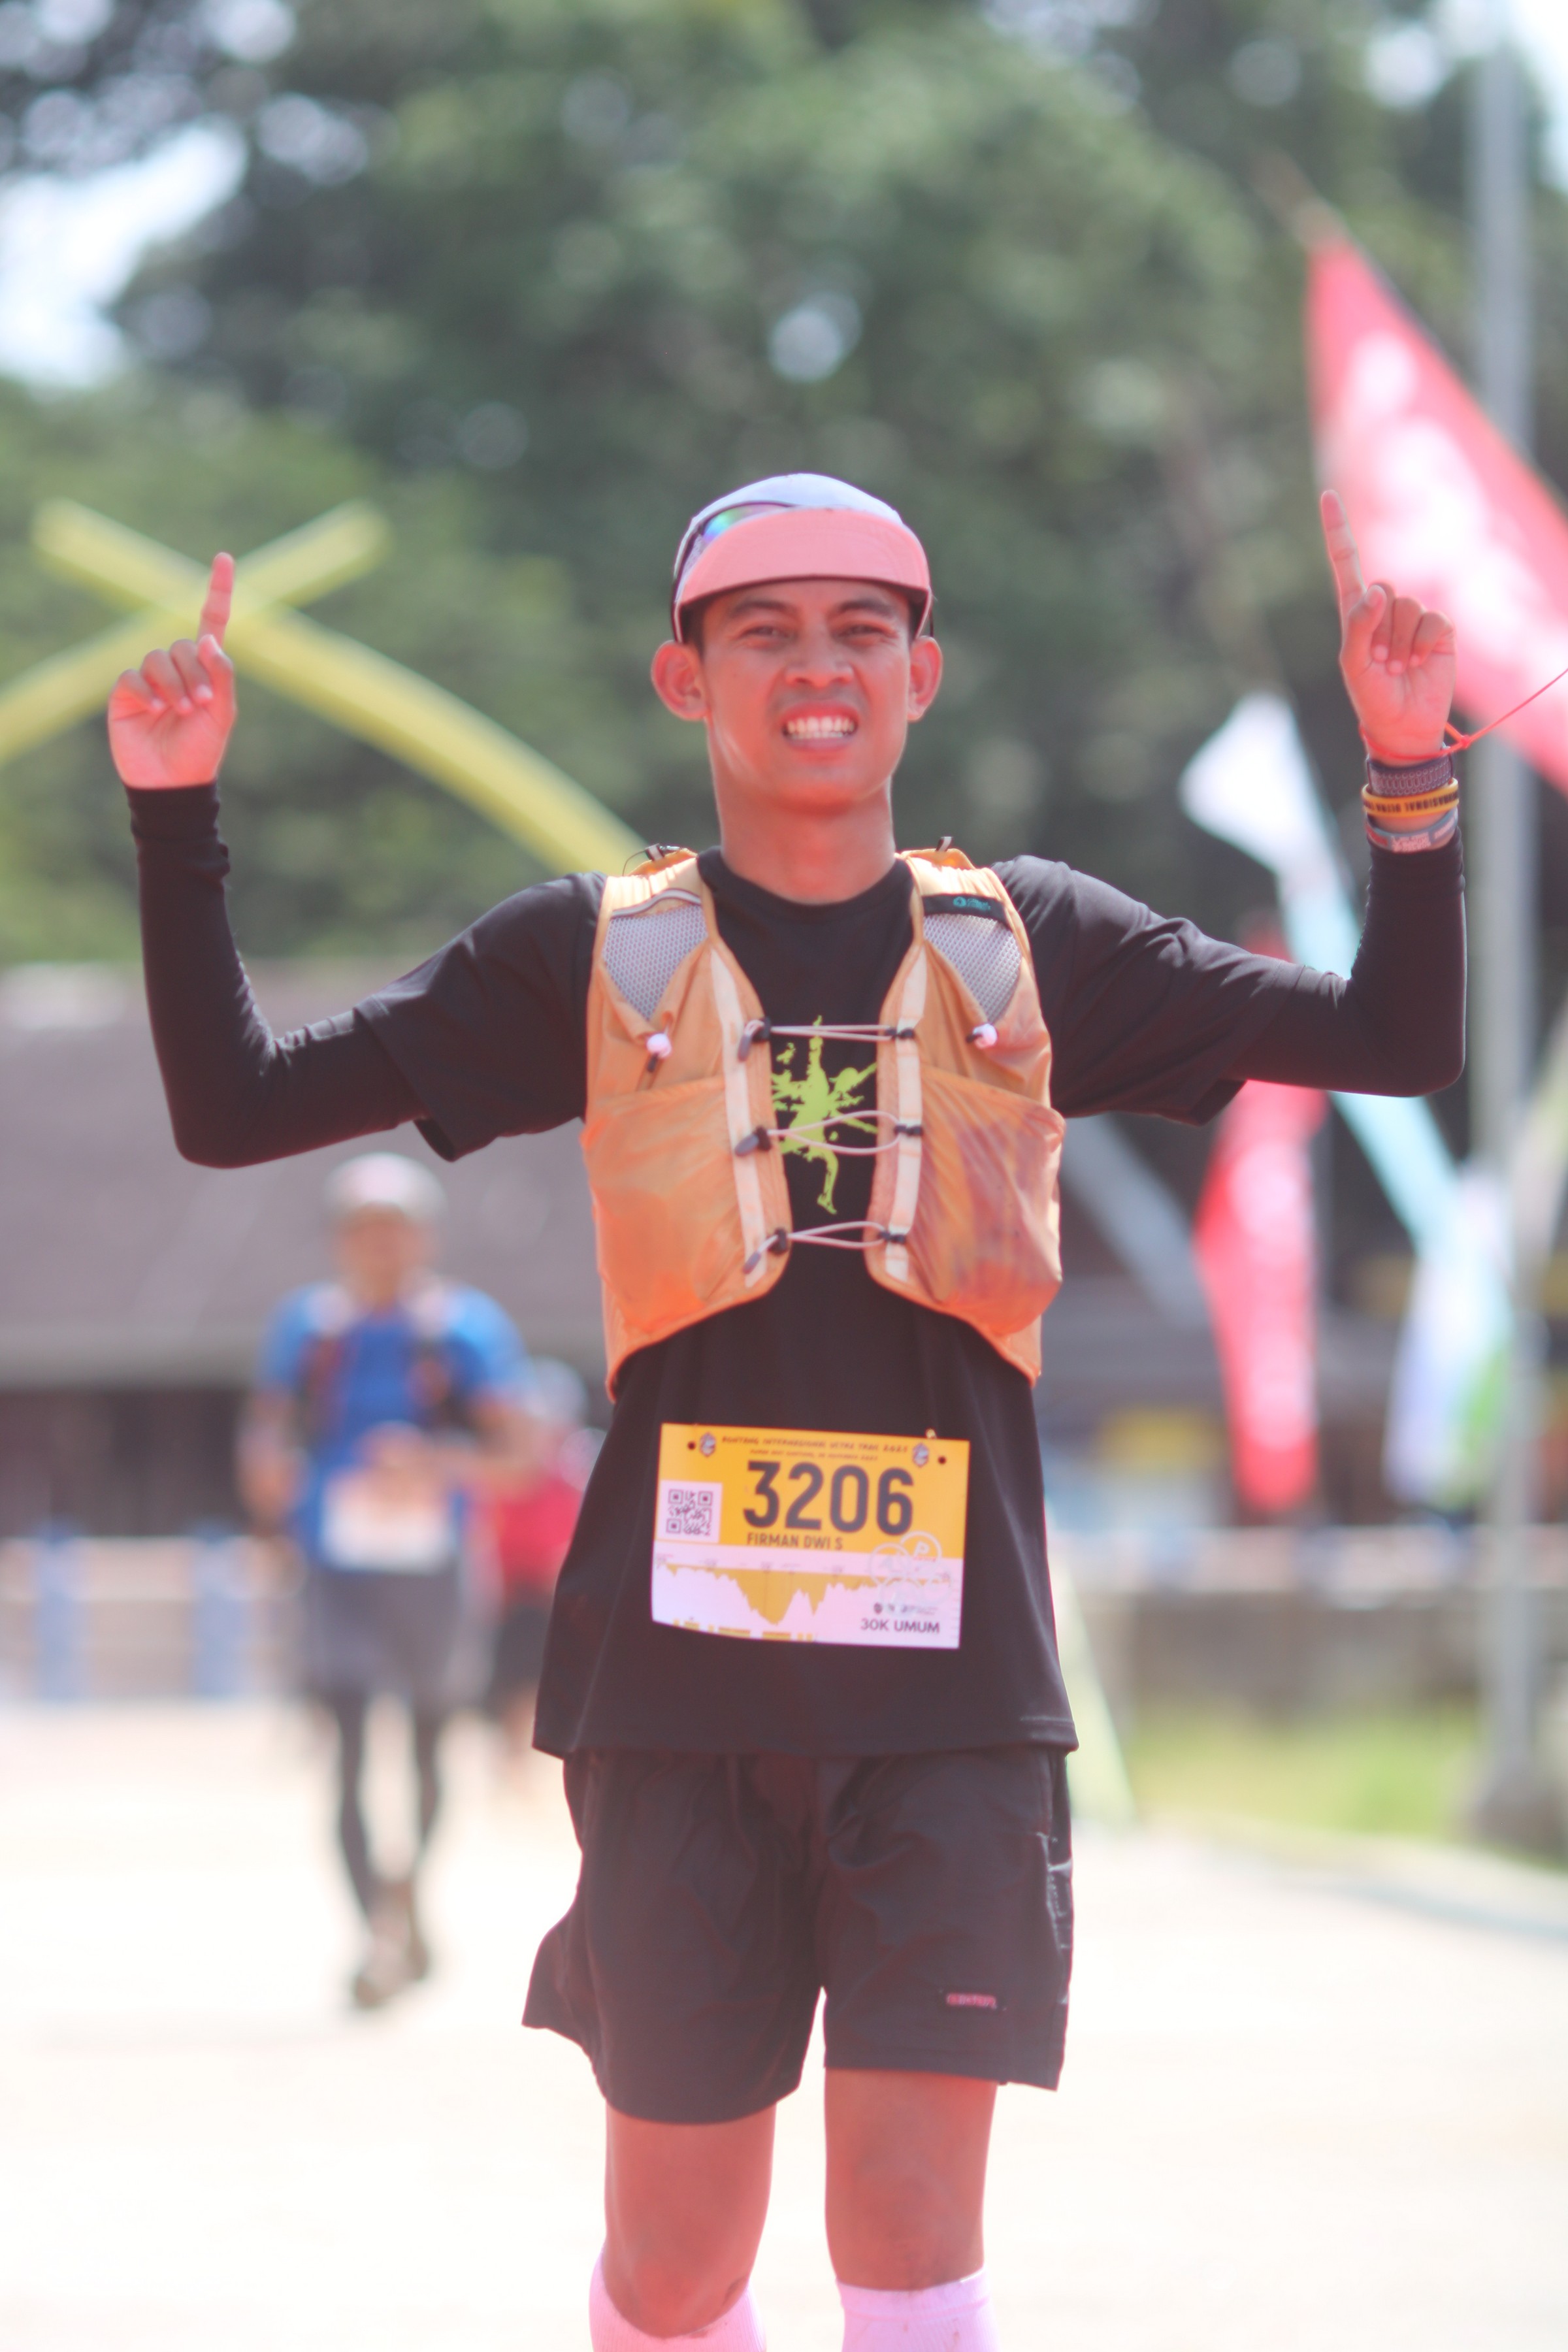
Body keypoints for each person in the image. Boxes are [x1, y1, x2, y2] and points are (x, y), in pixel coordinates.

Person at [111, 470, 1462, 2347]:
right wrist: (174, 812)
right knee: (678, 2267)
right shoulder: (587, 954)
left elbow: (1393, 1040)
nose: (816, 667)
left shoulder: (1036, 941)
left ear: (922, 675)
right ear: (686, 680)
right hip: (680, 1702)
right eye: (764, 633)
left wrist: (1405, 776)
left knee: (907, 2236)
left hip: (949, 1699)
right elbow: (237, 1108)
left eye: (857, 631)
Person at [238, 1149, 536, 2008]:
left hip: (433, 1565)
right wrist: (271, 1480)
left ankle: (407, 1892)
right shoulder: (309, 1331)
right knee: (347, 1748)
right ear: (339, 1240)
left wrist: (433, 1463)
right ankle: (376, 1928)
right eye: (363, 1231)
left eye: (394, 1230)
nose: (380, 1246)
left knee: (429, 1746)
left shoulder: (464, 1332)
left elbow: (518, 1456)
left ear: (423, 1238)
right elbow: (268, 1433)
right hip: (336, 1566)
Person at [482, 1358, 596, 1762]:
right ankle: (514, 1759)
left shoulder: (578, 1467)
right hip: (518, 1594)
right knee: (515, 1681)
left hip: (559, 1593)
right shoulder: (503, 1468)